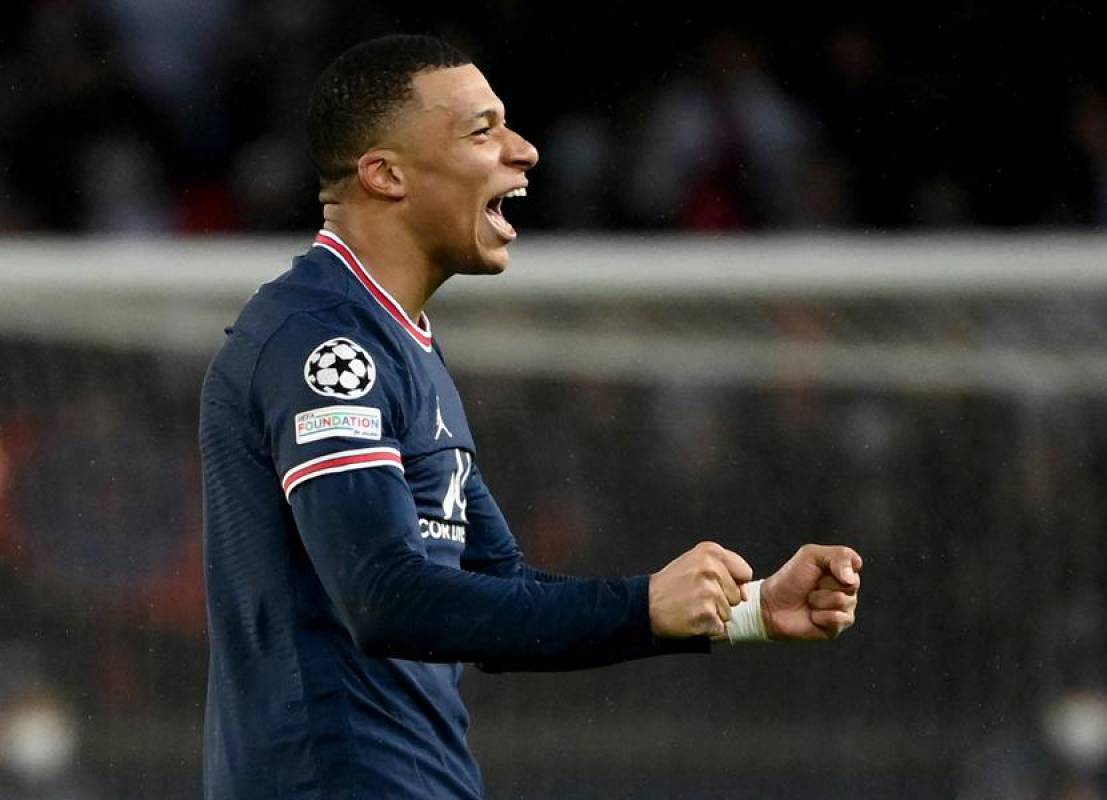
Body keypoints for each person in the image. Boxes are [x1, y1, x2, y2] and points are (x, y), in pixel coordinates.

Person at [199, 34, 863, 799]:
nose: (525, 151)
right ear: (386, 175)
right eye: (482, 131)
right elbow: (382, 597)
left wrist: (738, 612)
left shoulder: (398, 342)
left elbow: (496, 584)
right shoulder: (323, 342)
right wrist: (644, 605)